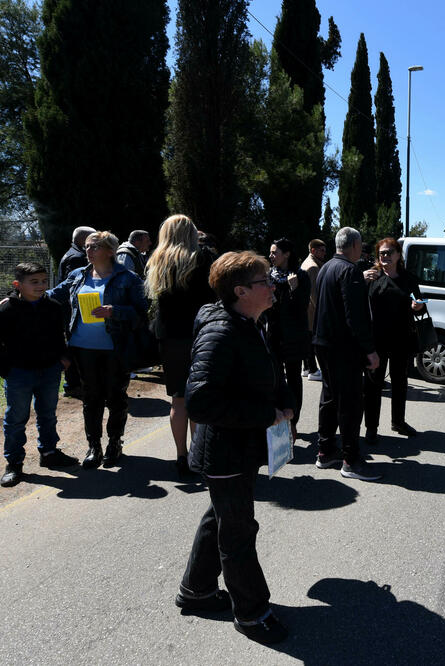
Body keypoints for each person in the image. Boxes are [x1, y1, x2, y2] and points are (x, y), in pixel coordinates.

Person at [177, 251, 292, 644]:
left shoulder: (250, 321)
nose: (272, 286)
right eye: (265, 281)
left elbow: (263, 372)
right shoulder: (222, 332)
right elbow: (200, 402)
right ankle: (252, 613)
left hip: (239, 446)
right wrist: (265, 414)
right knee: (238, 531)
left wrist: (283, 403)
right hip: (226, 450)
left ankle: (196, 590)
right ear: (241, 291)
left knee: (222, 515)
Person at [48, 231, 147, 469]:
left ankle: (114, 443)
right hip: (82, 348)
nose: (88, 251)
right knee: (91, 398)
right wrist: (17, 297)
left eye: (94, 247)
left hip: (115, 348)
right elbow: (51, 295)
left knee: (115, 397)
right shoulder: (78, 275)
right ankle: (94, 446)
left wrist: (115, 311)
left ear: (110, 251)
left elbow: (142, 311)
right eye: (87, 246)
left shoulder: (129, 278)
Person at [144, 214, 216, 477]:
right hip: (198, 333)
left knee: (178, 399)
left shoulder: (157, 260)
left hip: (169, 336)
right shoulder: (202, 258)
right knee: (197, 396)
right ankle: (198, 455)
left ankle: (181, 456)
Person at [312, 227, 382, 481]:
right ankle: (351, 461)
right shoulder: (349, 270)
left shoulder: (327, 267)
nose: (361, 250)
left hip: (324, 343)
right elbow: (356, 317)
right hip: (342, 347)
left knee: (330, 398)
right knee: (350, 403)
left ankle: (325, 451)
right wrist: (370, 350)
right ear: (353, 245)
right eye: (360, 246)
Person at [0, 263, 78, 487]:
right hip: (19, 374)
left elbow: (60, 335)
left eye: (44, 281)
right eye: (34, 282)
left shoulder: (53, 307)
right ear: (18, 284)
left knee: (47, 414)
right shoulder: (7, 309)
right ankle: (14, 463)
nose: (41, 285)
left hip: (49, 371)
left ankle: (49, 453)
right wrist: (6, 369)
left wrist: (64, 357)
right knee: (16, 419)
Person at [362, 237, 425, 445]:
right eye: (381, 253)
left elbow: (420, 304)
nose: (385, 256)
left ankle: (398, 422)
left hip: (401, 340)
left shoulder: (408, 279)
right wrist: (362, 281)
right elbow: (357, 303)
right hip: (376, 341)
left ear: (398, 255)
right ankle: (371, 428)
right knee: (373, 386)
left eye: (389, 252)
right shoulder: (372, 276)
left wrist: (418, 306)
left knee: (400, 383)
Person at [265, 238, 311, 441]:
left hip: (294, 336)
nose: (271, 256)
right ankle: (276, 420)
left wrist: (294, 289)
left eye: (275, 252)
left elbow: (302, 308)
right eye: (271, 252)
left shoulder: (300, 276)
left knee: (293, 380)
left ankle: (293, 421)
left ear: (287, 254)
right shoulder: (269, 276)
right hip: (274, 335)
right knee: (274, 378)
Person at [58, 225, 96, 398]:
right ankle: (73, 384)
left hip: (69, 309)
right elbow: (73, 287)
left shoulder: (71, 253)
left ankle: (75, 383)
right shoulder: (77, 258)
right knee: (74, 346)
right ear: (82, 239)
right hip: (72, 310)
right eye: (91, 239)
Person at [299, 239, 326, 381]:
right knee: (311, 342)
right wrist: (322, 312)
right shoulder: (313, 267)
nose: (324, 253)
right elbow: (315, 294)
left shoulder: (306, 263)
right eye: (322, 250)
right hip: (312, 310)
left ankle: (307, 368)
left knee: (307, 340)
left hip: (307, 309)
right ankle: (313, 370)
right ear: (313, 250)